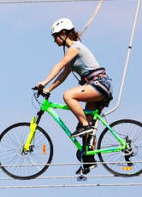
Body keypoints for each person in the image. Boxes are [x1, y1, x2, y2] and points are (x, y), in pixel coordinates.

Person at [34, 17, 113, 146]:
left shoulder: (75, 48)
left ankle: (85, 125)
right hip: (97, 86)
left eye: (55, 36)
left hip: (99, 84)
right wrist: (48, 89)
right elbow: (63, 75)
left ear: (63, 34)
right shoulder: (72, 54)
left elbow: (59, 66)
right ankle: (89, 158)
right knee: (88, 130)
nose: (54, 41)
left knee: (68, 95)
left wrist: (44, 82)